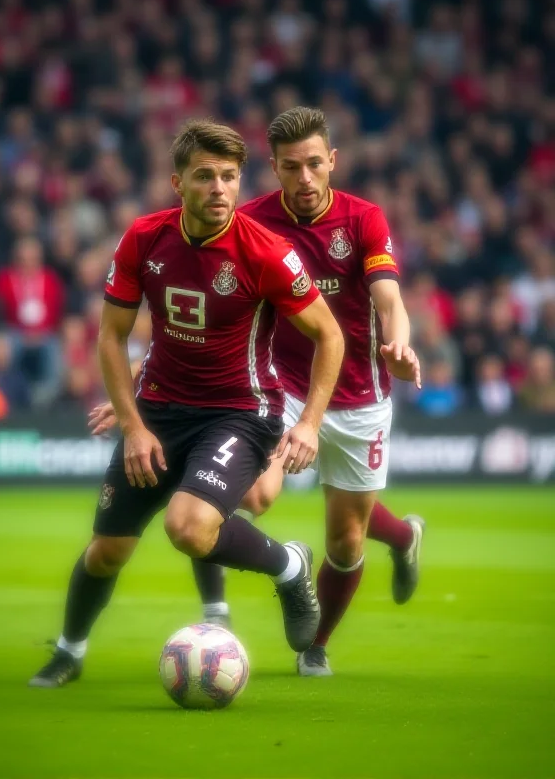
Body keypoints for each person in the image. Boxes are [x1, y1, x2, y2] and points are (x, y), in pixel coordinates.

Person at [90, 107, 424, 678]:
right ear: (273, 168)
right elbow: (199, 319)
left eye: (315, 164)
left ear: (332, 162)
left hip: (361, 392)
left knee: (346, 538)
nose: (304, 178)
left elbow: (388, 297)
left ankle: (384, 556)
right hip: (279, 387)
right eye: (291, 167)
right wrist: (141, 388)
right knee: (250, 495)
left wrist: (399, 343)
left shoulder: (363, 220)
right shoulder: (246, 221)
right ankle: (273, 608)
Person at [29, 119, 345, 688]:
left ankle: (290, 568)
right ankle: (69, 653)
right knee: (106, 552)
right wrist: (132, 423)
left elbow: (330, 336)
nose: (219, 188)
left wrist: (311, 424)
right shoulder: (144, 238)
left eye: (229, 177)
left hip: (239, 412)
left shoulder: (266, 251)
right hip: (158, 409)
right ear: (178, 183)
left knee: (189, 526)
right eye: (205, 177)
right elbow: (110, 335)